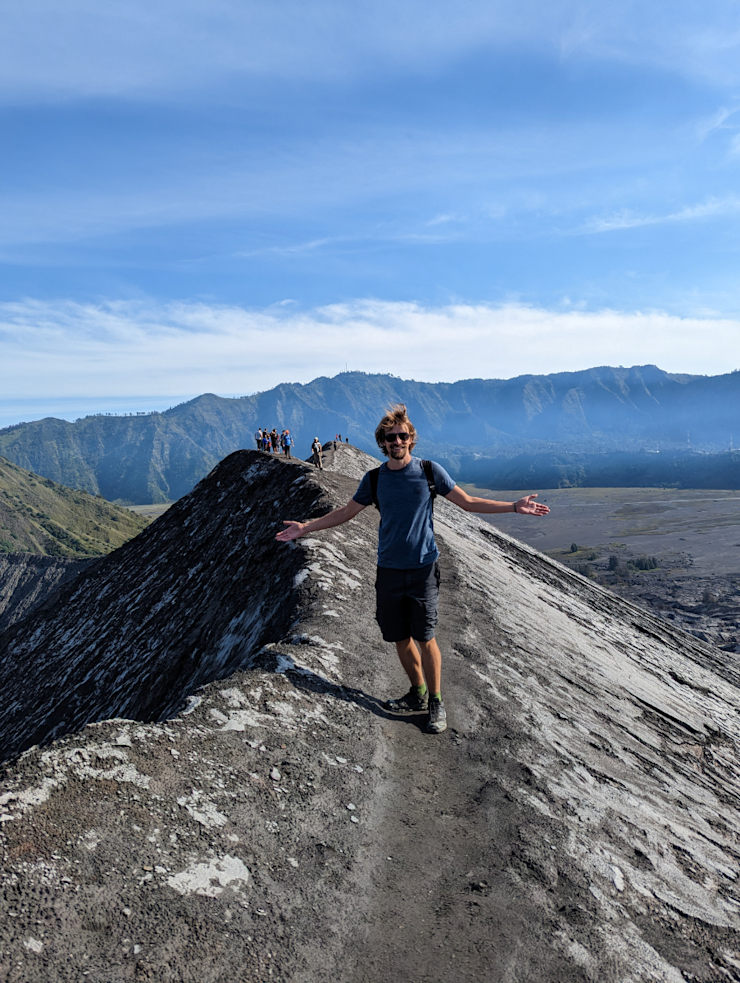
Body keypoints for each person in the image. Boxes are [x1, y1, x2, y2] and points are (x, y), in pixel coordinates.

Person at [277, 404, 549, 735]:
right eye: (390, 437)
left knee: (425, 636)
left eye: (402, 436)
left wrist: (513, 507)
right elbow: (346, 513)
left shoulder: (430, 472)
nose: (396, 441)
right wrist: (306, 527)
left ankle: (436, 701)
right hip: (389, 570)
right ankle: (417, 692)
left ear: (411, 439)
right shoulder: (375, 479)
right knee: (399, 637)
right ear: (382, 442)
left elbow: (468, 502)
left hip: (422, 569)